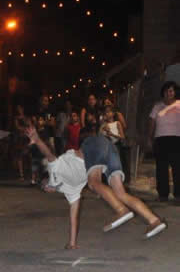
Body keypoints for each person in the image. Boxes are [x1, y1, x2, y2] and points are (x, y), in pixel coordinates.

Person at [25, 126, 167, 250]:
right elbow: (73, 217)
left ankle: (121, 210)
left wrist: (36, 139)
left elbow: (48, 154)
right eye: (44, 189)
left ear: (46, 179)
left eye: (45, 185)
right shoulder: (70, 191)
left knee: (93, 182)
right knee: (121, 193)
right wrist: (72, 242)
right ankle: (154, 221)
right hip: (109, 149)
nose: (47, 188)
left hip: (92, 145)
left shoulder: (54, 170)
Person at [148, 81, 180, 202]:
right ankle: (163, 194)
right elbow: (151, 122)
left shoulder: (179, 104)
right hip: (161, 139)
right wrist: (149, 138)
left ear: (175, 92)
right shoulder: (157, 106)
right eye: (166, 91)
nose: (169, 93)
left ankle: (178, 195)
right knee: (161, 168)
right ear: (163, 93)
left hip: (177, 139)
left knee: (178, 167)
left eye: (171, 90)